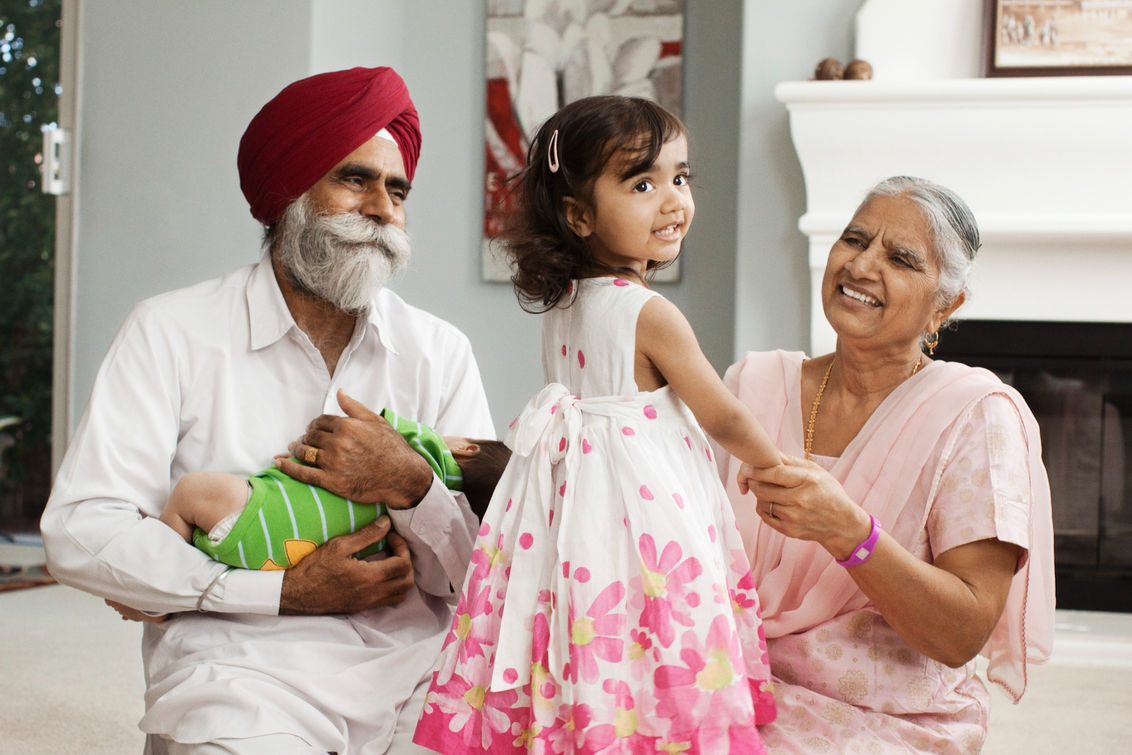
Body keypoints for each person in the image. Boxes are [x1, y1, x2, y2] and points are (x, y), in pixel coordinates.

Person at [40, 66, 500, 754]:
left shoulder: (439, 351)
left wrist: (412, 483)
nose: (382, 208)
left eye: (397, 190)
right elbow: (80, 530)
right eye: (355, 179)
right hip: (237, 669)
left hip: (417, 674)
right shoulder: (172, 329)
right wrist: (279, 591)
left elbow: (491, 575)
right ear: (287, 191)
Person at [413, 96, 779, 754]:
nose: (673, 200)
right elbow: (720, 411)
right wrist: (775, 462)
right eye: (643, 183)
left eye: (680, 176)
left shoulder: (565, 306)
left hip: (575, 521)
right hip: (644, 522)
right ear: (580, 215)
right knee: (660, 626)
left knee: (586, 631)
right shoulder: (648, 313)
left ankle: (589, 727)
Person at [719, 176, 1055, 753]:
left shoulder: (977, 415)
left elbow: (961, 634)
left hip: (886, 718)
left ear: (944, 307)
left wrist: (850, 533)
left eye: (900, 259)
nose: (862, 265)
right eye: (854, 240)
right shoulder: (751, 386)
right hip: (727, 684)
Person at [157, 409, 507, 571]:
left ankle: (167, 572)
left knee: (189, 492)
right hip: (281, 559)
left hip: (254, 512)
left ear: (467, 448)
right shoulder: (447, 528)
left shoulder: (426, 450)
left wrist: (305, 453)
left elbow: (363, 437)